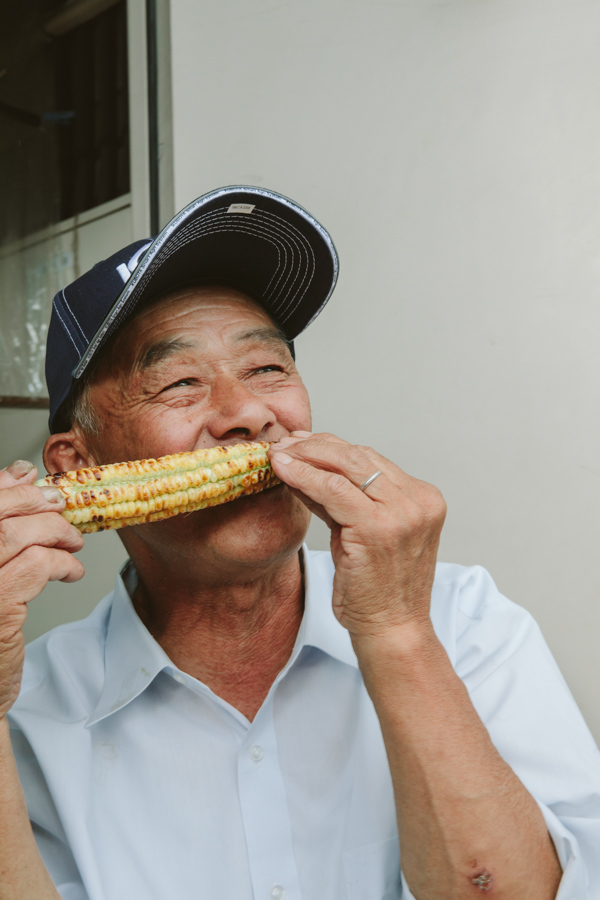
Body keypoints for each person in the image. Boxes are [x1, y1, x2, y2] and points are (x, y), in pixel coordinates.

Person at [1, 186, 599, 900]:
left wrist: (398, 633)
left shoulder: (467, 624)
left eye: (267, 369)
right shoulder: (27, 709)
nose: (250, 413)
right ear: (78, 465)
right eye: (181, 382)